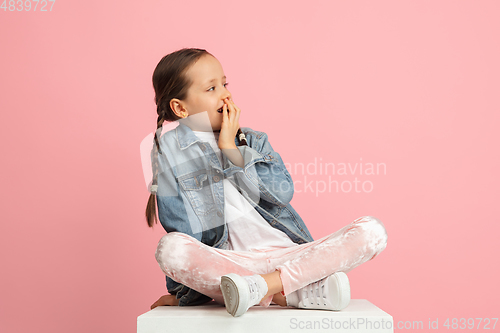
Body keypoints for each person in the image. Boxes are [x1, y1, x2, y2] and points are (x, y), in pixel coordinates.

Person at [144, 47, 388, 317]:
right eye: (211, 89)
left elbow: (282, 194)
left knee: (372, 232)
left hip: (288, 256)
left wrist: (231, 150)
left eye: (224, 84)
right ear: (180, 107)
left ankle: (263, 287)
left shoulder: (255, 140)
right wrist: (184, 294)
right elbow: (187, 234)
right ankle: (291, 291)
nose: (226, 94)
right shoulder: (168, 150)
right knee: (171, 249)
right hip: (232, 263)